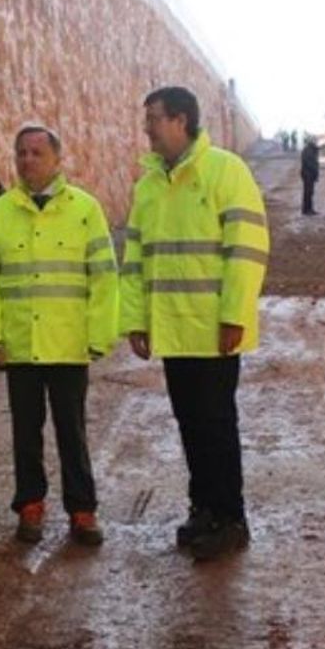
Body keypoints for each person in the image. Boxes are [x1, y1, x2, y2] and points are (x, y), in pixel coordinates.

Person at [122, 86, 269, 560]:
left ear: (181, 120)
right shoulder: (149, 186)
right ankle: (203, 507)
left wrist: (234, 316)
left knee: (217, 424)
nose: (147, 128)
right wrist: (136, 321)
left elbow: (246, 252)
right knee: (190, 423)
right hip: (172, 329)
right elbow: (137, 261)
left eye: (154, 118)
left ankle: (230, 517)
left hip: (211, 329)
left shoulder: (225, 171)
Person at [0, 125, 118, 546]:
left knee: (72, 430)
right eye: (21, 153)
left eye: (37, 152)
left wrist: (99, 335)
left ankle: (82, 510)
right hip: (20, 346)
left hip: (69, 343)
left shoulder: (84, 210)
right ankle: (30, 505)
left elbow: (104, 278)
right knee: (25, 431)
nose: (27, 160)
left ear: (57, 159)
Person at [300, 137, 322, 216]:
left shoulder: (310, 150)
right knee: (308, 193)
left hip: (309, 174)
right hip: (308, 174)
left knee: (310, 192)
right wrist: (315, 171)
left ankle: (308, 209)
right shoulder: (308, 151)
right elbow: (310, 163)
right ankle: (307, 210)